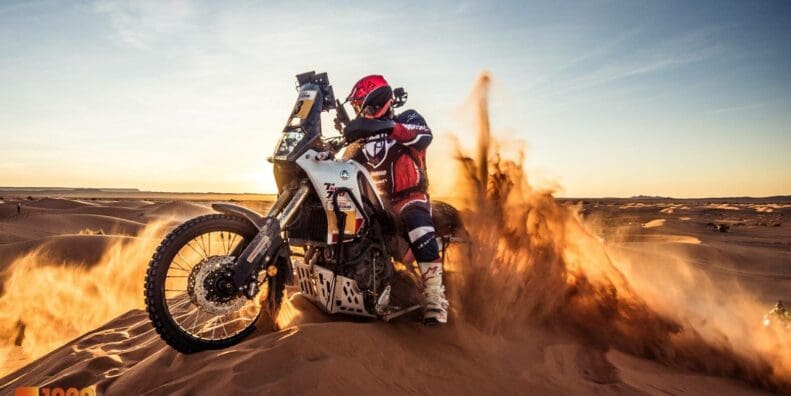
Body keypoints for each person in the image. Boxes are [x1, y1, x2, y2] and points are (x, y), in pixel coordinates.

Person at [341, 75, 448, 325]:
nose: (358, 111)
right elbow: (347, 163)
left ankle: (435, 299)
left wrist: (386, 127)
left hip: (410, 198)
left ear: (376, 102)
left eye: (361, 105)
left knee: (417, 225)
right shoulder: (362, 137)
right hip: (377, 203)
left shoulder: (407, 118)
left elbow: (422, 137)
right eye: (356, 107)